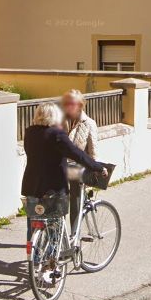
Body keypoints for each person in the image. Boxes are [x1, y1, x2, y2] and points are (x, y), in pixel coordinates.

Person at [21, 102, 105, 246]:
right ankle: (55, 254)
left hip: (32, 184)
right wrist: (98, 167)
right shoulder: (57, 134)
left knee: (34, 221)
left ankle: (33, 254)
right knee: (55, 223)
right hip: (53, 186)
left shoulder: (30, 132)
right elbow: (78, 154)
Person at [61, 89, 98, 231]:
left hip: (76, 167)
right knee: (59, 200)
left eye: (72, 103)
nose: (68, 106)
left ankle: (74, 233)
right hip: (60, 165)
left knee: (76, 200)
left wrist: (94, 169)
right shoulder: (59, 121)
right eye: (66, 103)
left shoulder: (89, 123)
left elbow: (92, 150)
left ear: (80, 105)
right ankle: (59, 234)